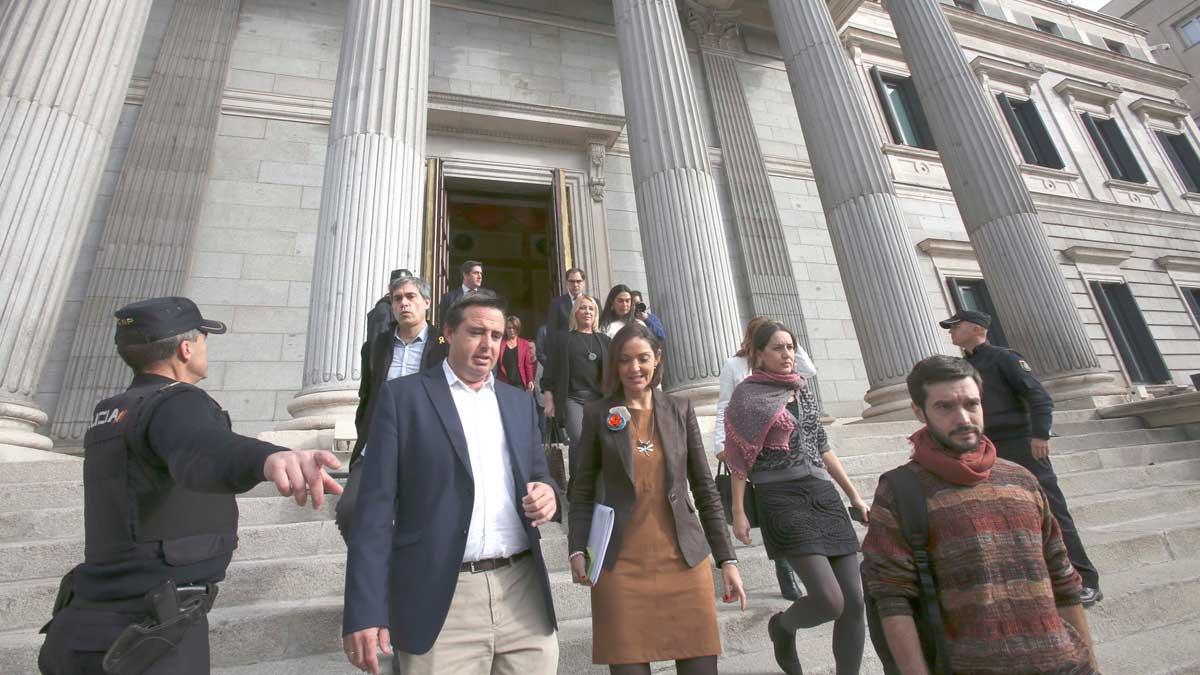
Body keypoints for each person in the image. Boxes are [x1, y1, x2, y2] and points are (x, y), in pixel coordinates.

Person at [38, 297, 342, 675]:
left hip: (90, 620)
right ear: (185, 349)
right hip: (151, 635)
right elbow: (202, 447)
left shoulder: (113, 410)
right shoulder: (176, 403)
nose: (204, 348)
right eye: (202, 340)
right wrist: (269, 459)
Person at [342, 291, 562, 675]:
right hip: (441, 598)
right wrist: (364, 608)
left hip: (523, 595)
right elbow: (373, 512)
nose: (487, 345)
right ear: (447, 333)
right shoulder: (403, 398)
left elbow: (539, 476)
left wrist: (549, 495)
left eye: (495, 335)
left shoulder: (517, 403)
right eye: (476, 332)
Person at [862, 355, 1097, 674]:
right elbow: (891, 597)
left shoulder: (1022, 479)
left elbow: (1063, 578)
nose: (963, 418)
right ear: (920, 412)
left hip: (1061, 663)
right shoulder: (900, 490)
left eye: (971, 404)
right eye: (945, 407)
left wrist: (1090, 666)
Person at [567, 322, 746, 675]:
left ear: (657, 359)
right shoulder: (597, 414)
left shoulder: (680, 409)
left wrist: (727, 559)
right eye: (625, 360)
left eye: (643, 358)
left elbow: (706, 489)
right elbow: (582, 488)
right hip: (621, 568)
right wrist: (577, 548)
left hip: (683, 562)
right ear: (614, 365)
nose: (635, 368)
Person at [725, 321, 868, 675]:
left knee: (854, 601)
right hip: (781, 498)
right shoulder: (746, 396)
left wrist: (854, 494)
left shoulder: (802, 390)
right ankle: (783, 627)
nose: (787, 354)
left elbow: (822, 445)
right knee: (829, 600)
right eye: (778, 348)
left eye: (790, 347)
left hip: (823, 495)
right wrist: (738, 510)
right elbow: (738, 458)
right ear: (759, 354)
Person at [940, 309, 1102, 606]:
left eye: (955, 326)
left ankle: (1084, 579)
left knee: (1052, 512)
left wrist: (1040, 435)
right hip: (989, 447)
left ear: (977, 329)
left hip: (1022, 445)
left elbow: (1039, 397)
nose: (950, 331)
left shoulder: (1005, 358)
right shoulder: (963, 367)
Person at [714, 316, 818, 602]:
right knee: (773, 511)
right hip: (747, 444)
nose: (785, 351)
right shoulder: (734, 365)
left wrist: (790, 340)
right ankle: (786, 572)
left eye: (788, 346)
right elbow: (725, 403)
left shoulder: (784, 360)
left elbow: (808, 370)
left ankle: (793, 570)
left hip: (779, 444)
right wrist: (721, 442)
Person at [336, 275, 447, 541]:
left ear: (427, 303)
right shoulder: (377, 345)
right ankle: (372, 568)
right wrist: (365, 427)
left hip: (423, 443)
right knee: (350, 511)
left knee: (422, 517)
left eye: (411, 297)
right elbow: (366, 393)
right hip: (377, 443)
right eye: (398, 299)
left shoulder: (444, 345)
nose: (404, 304)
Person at [541, 295, 610, 457]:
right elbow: (549, 374)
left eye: (591, 308)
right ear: (575, 312)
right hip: (573, 399)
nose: (587, 312)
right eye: (583, 307)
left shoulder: (605, 341)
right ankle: (580, 480)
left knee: (602, 442)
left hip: (600, 399)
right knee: (579, 438)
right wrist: (549, 402)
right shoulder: (563, 339)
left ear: (596, 314)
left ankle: (586, 480)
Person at [366, 268, 412, 340]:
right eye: (398, 285)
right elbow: (380, 346)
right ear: (390, 288)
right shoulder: (384, 311)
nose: (403, 289)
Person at [498, 315, 537, 392]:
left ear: (518, 329)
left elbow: (528, 365)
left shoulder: (524, 344)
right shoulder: (500, 344)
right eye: (509, 328)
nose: (512, 330)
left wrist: (530, 380)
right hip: (504, 383)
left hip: (519, 384)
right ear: (505, 329)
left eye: (514, 328)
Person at [547, 267, 587, 334]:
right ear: (567, 283)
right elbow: (551, 331)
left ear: (584, 283)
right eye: (572, 281)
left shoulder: (594, 302)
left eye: (578, 281)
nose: (575, 284)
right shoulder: (557, 303)